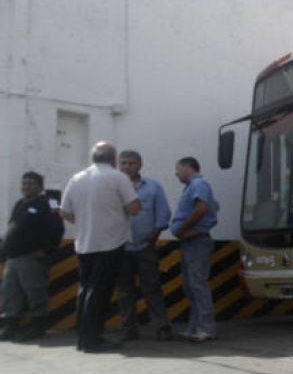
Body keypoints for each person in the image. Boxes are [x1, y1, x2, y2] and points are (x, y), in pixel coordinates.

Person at [61, 142, 139, 353]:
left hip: (84, 243)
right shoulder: (118, 177)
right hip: (110, 242)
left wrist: (86, 220)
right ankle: (93, 340)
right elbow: (134, 208)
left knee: (85, 288)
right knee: (100, 292)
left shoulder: (76, 179)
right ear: (113, 160)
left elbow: (64, 212)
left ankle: (82, 337)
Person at [116, 150, 174, 341]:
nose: (127, 167)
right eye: (123, 163)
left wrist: (155, 234)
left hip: (145, 247)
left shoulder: (153, 187)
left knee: (152, 288)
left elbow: (163, 213)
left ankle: (162, 327)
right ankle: (128, 328)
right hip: (120, 248)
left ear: (140, 165)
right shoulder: (112, 187)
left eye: (131, 163)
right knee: (125, 291)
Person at [0, 172, 64, 341]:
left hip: (31, 257)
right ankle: (10, 326)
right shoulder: (20, 203)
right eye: (24, 183)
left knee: (35, 292)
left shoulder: (47, 203)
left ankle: (38, 326)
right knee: (10, 293)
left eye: (31, 184)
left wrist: (46, 249)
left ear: (40, 187)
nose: (26, 187)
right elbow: (12, 227)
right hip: (13, 257)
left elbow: (57, 229)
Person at [170, 157, 219, 343]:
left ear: (189, 167)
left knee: (198, 285)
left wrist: (183, 229)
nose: (176, 173)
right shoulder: (193, 187)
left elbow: (202, 207)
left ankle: (206, 328)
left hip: (197, 241)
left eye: (178, 169)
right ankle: (194, 327)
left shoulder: (199, 184)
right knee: (190, 286)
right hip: (190, 242)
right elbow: (215, 206)